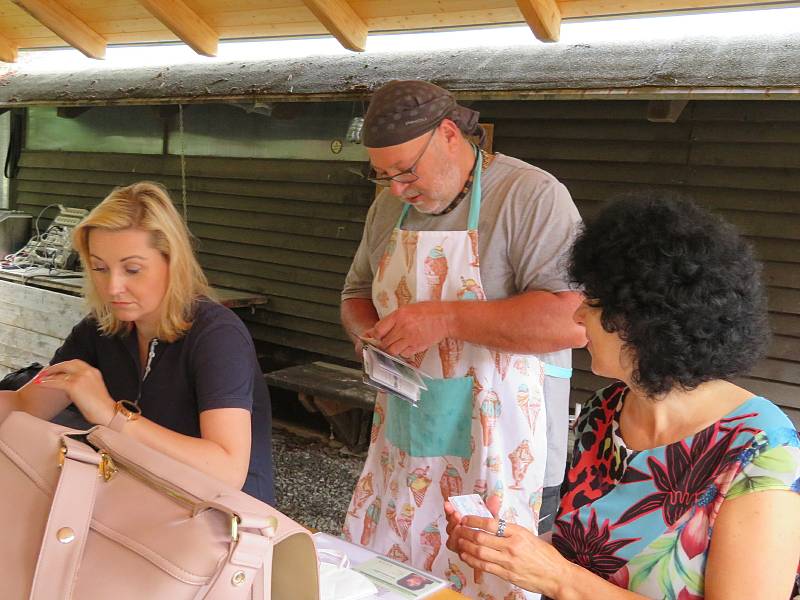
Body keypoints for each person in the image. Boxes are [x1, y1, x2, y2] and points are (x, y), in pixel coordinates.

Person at [445, 194, 800, 599]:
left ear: (647, 319)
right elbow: (587, 561)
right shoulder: (605, 411)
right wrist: (504, 548)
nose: (578, 315)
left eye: (593, 302)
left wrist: (556, 577)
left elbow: (569, 578)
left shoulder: (760, 450)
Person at [341, 79, 585, 598]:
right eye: (383, 176)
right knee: (396, 575)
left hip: (508, 439)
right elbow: (356, 294)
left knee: (496, 575)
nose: (398, 189)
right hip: (409, 430)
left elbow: (572, 319)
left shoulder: (532, 196)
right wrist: (368, 336)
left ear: (450, 134)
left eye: (407, 171)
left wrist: (447, 319)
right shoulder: (388, 208)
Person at [0, 182, 274, 505]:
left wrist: (110, 415)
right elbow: (23, 405)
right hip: (142, 502)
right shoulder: (102, 329)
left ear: (172, 262)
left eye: (132, 269)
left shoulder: (217, 336)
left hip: (222, 523)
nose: (113, 287)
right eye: (100, 268)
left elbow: (226, 469)